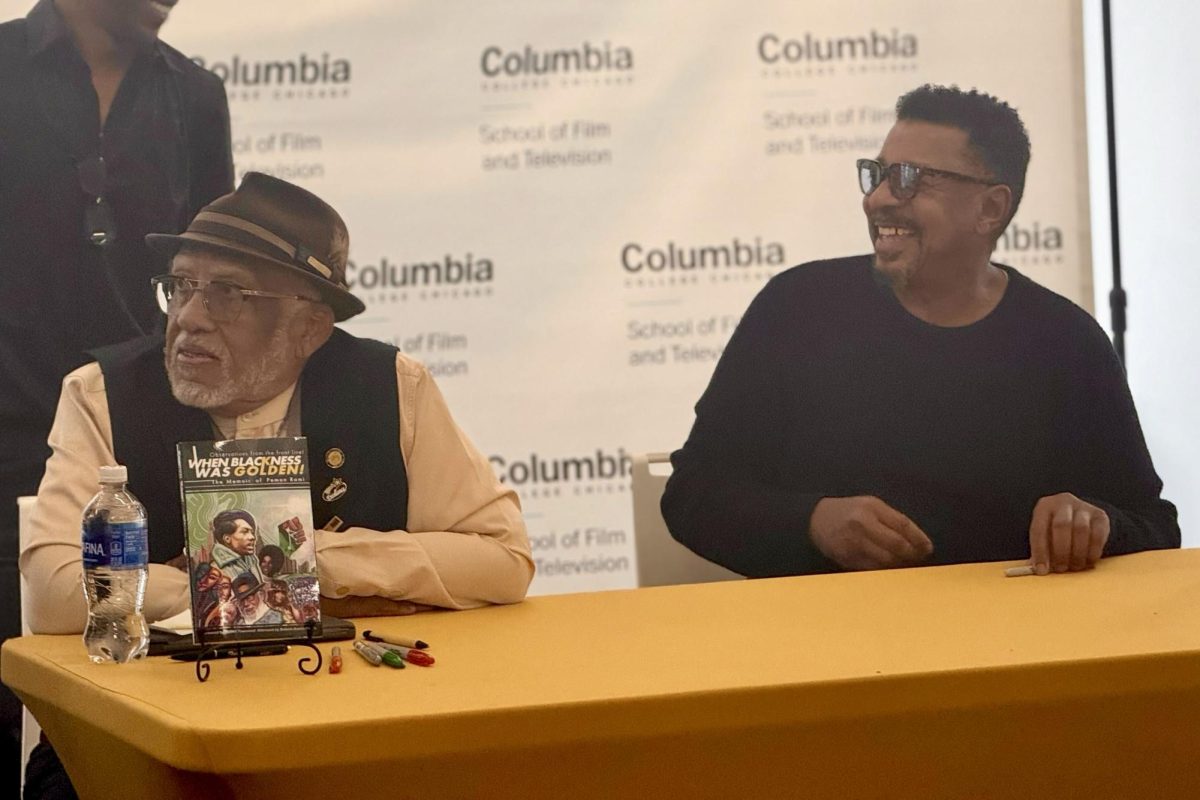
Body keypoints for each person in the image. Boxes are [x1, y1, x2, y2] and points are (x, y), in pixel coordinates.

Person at [662, 84, 1179, 578]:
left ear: (990, 209)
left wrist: (1096, 523)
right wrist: (812, 523)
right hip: (822, 645)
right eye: (878, 175)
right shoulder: (797, 308)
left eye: (910, 178)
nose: (878, 199)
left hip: (1009, 648)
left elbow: (1154, 525)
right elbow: (692, 494)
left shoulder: (1065, 341)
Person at [21, 171, 534, 638]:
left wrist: (313, 562)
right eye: (180, 287)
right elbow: (55, 591)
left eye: (227, 293)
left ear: (308, 328)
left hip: (348, 710)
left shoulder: (393, 385)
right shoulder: (101, 393)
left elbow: (502, 559)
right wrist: (251, 590)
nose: (189, 319)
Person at [1, 1, 232, 786]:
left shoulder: (195, 96)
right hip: (7, 432)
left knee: (138, 706)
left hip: (133, 444)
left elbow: (217, 287)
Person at [209, 509, 263, 582]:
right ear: (227, 538)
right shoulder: (215, 570)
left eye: (252, 532)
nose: (252, 537)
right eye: (245, 532)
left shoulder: (251, 561)